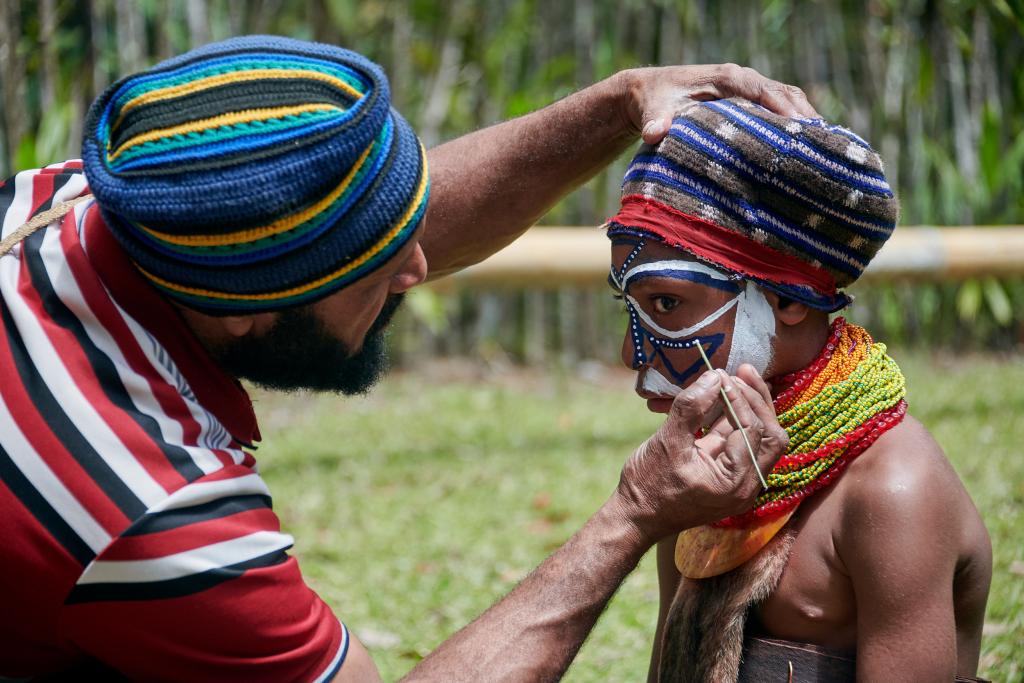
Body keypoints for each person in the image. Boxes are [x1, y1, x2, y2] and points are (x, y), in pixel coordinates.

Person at [0, 36, 811, 681]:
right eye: (378, 263)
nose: (420, 269)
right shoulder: (147, 505)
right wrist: (633, 512)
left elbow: (378, 226)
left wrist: (622, 101)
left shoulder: (96, 202)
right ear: (244, 311)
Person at [603, 98, 992, 682]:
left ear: (787, 298)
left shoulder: (893, 490)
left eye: (666, 303)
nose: (630, 354)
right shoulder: (706, 467)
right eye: (630, 307)